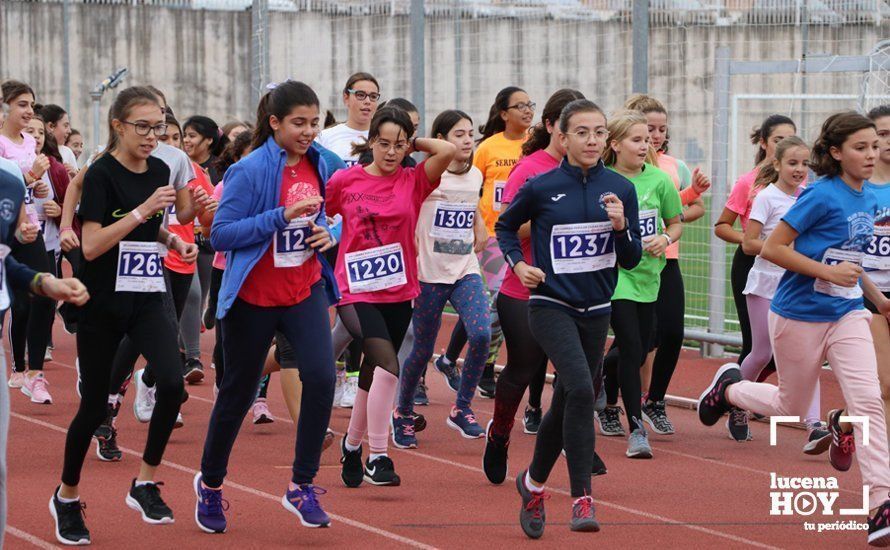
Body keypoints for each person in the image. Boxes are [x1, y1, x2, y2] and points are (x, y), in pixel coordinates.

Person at [697, 112, 890, 547]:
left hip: (847, 313)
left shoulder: (871, 197)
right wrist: (826, 270)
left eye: (873, 146)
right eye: (861, 147)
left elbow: (850, 261)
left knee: (868, 403)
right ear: (836, 152)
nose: (871, 154)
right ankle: (728, 388)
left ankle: (881, 503)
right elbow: (773, 248)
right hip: (798, 314)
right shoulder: (820, 196)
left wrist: (878, 300)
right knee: (789, 404)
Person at [50, 86, 196, 544]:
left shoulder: (158, 168)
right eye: (144, 127)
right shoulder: (100, 175)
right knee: (93, 406)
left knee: (172, 383)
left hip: (147, 295)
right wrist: (141, 211)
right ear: (118, 126)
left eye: (159, 126)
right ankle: (68, 496)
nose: (154, 136)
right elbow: (92, 244)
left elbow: (153, 228)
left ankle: (146, 481)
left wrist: (174, 241)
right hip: (103, 301)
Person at [195, 81, 338, 532]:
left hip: (304, 290)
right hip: (253, 298)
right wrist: (281, 218)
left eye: (314, 122)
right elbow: (221, 235)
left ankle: (301, 484)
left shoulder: (324, 163)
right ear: (274, 122)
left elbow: (333, 215)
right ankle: (211, 484)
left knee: (321, 376)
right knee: (237, 393)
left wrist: (328, 232)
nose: (309, 131)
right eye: (299, 123)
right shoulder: (249, 170)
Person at [496, 99, 642, 538]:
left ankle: (533, 483)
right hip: (550, 306)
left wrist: (621, 228)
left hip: (597, 311)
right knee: (580, 386)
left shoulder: (621, 189)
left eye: (599, 132)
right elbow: (505, 227)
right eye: (582, 132)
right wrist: (518, 265)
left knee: (567, 399)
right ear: (563, 137)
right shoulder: (542, 187)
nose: (592, 140)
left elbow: (631, 260)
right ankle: (582, 497)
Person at [329, 106, 455, 488]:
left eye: (398, 145)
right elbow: (320, 214)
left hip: (398, 289)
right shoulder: (344, 181)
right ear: (370, 142)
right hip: (354, 288)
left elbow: (447, 151)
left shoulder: (414, 180)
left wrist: (410, 140)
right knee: (386, 364)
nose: (390, 152)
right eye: (382, 143)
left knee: (375, 372)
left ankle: (352, 446)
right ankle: (379, 455)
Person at [482, 89, 593, 483]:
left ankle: (576, 440)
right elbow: (508, 225)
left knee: (576, 377)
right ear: (552, 127)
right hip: (524, 287)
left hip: (577, 291)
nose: (582, 139)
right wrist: (552, 218)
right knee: (523, 369)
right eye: (573, 129)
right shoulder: (530, 170)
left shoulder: (592, 171)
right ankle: (499, 434)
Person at [391, 109, 489, 448]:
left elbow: (470, 201)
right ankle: (402, 413)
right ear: (442, 140)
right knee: (421, 350)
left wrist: (478, 222)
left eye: (470, 133)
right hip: (429, 273)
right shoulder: (427, 175)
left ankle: (461, 409)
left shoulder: (475, 174)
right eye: (458, 134)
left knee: (481, 332)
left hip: (464, 268)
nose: (467, 140)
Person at [621, 94, 711, 436]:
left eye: (660, 130)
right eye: (648, 130)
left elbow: (689, 209)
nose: (655, 136)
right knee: (638, 341)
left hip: (665, 258)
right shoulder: (620, 168)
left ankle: (655, 401)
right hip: (628, 264)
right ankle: (607, 389)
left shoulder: (674, 167)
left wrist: (670, 222)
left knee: (672, 333)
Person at [437, 86, 534, 399]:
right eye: (520, 106)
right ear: (504, 113)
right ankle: (483, 366)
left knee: (494, 305)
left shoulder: (535, 147)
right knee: (491, 303)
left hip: (526, 235)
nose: (527, 111)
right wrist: (477, 227)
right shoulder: (488, 148)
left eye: (530, 105)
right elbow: (471, 187)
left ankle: (453, 359)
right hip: (494, 235)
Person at [601, 110, 683, 458]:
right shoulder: (602, 180)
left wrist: (664, 239)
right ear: (615, 144)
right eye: (636, 139)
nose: (645, 144)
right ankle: (636, 428)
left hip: (651, 275)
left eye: (647, 139)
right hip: (616, 276)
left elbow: (676, 223)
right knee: (633, 347)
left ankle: (602, 370)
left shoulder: (660, 181)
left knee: (646, 342)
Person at [737, 136, 827, 451]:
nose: (800, 169)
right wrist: (783, 250)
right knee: (762, 353)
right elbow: (749, 244)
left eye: (805, 164)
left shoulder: (810, 197)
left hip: (798, 286)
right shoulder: (766, 197)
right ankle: (733, 395)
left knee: (810, 356)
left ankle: (815, 425)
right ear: (776, 164)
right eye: (792, 163)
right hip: (765, 283)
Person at [318, 72, 382, 408]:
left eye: (373, 96)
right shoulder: (328, 138)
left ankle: (347, 377)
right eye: (361, 95)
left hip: (368, 239)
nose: (367, 102)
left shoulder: (382, 136)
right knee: (328, 309)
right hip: (330, 236)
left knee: (362, 308)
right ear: (346, 98)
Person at [0, 81, 56, 402]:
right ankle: (17, 368)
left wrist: (41, 190)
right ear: (5, 107)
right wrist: (32, 176)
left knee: (45, 293)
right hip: (6, 230)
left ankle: (35, 373)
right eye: (22, 104)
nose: (29, 111)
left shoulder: (29, 143)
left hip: (30, 226)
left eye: (32, 104)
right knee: (19, 305)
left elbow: (32, 190)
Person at [865, 104, 890, 450]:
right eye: (882, 135)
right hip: (866, 292)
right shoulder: (859, 188)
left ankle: (841, 420)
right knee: (885, 385)